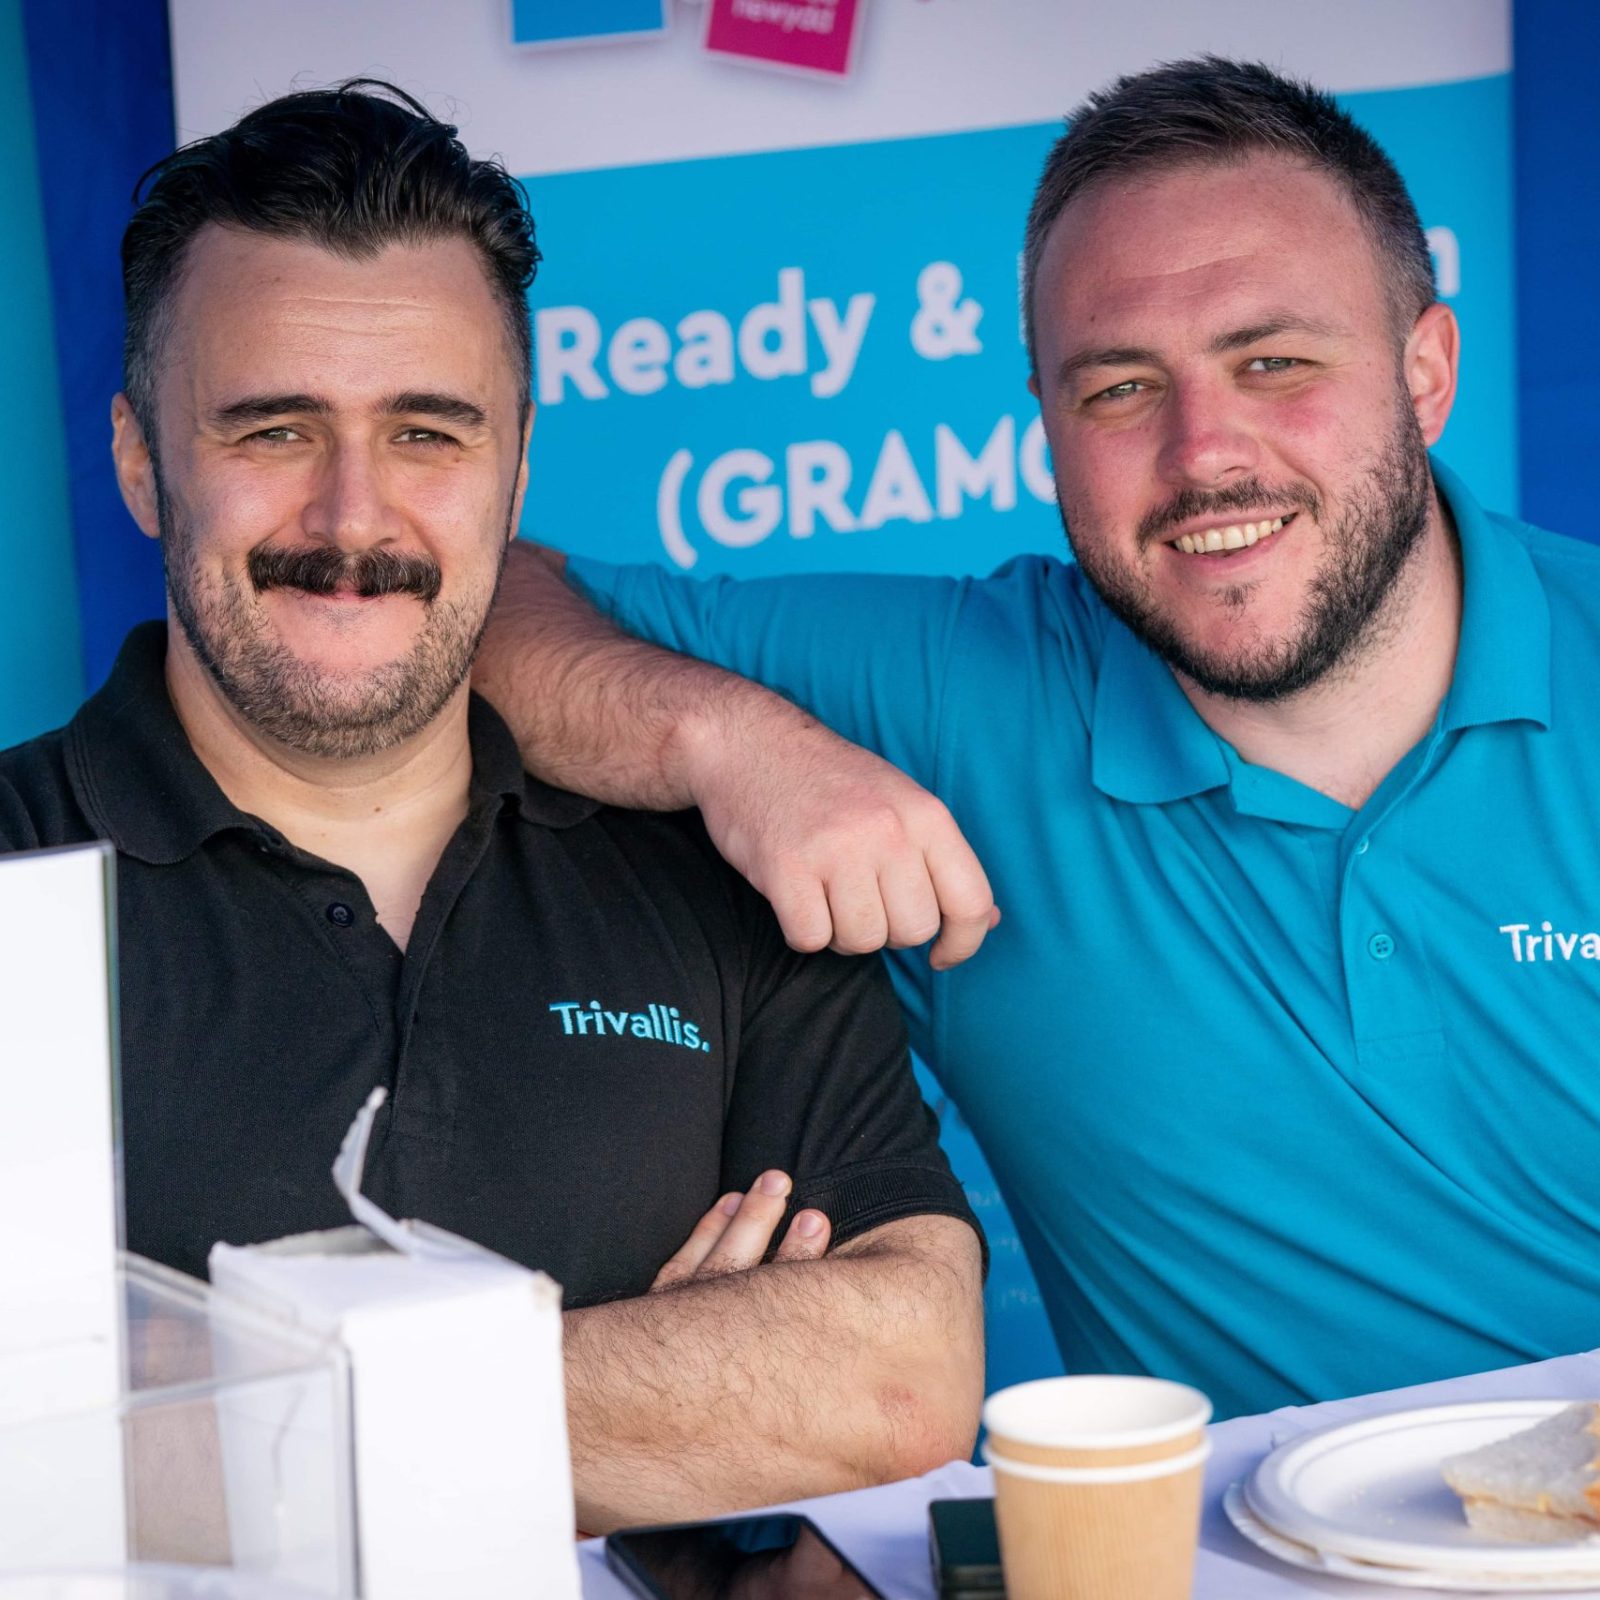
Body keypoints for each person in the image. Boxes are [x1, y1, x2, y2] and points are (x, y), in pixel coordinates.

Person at [471, 56, 1600, 1422]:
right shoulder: (967, 694)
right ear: (1048, 429)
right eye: (1119, 389)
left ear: (1425, 372)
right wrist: (730, 742)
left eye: (1274, 362)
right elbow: (480, 604)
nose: (1203, 452)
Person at [0, 82, 985, 1532]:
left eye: (427, 434)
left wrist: (197, 1427)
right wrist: (675, 1400)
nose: (353, 519)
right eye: (273, 430)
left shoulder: (713, 864)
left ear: (518, 463)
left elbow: (899, 1378)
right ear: (144, 462)